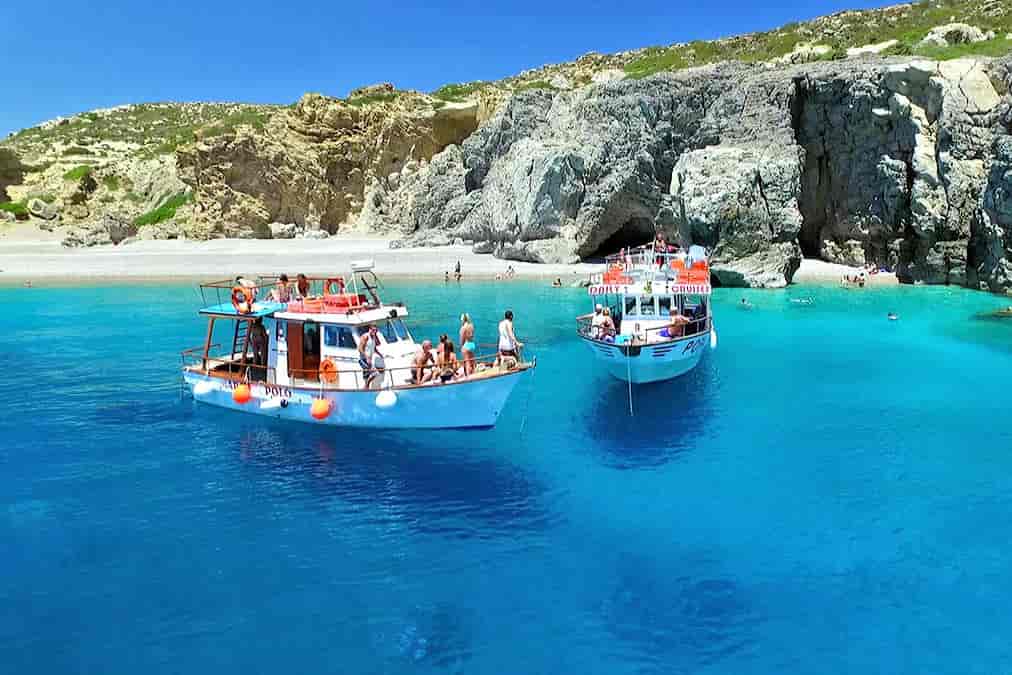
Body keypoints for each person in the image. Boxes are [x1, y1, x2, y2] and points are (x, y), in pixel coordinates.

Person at [357, 324, 385, 389]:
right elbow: (360, 348)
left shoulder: (374, 337)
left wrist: (379, 354)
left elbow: (374, 347)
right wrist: (366, 357)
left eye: (375, 330)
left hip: (369, 359)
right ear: (369, 329)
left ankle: (366, 387)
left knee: (367, 374)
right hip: (363, 359)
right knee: (375, 373)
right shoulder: (365, 336)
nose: (374, 332)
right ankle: (366, 386)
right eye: (373, 330)